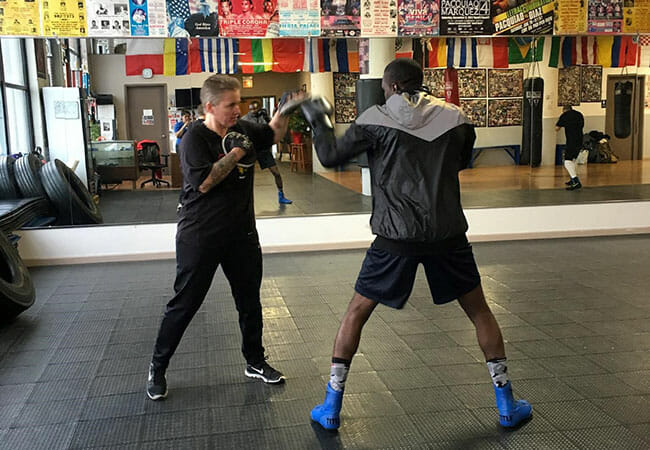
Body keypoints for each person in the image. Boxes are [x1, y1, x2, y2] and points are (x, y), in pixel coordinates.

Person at [300, 59, 532, 430]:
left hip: (395, 237)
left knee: (356, 312)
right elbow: (459, 162)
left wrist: (319, 118)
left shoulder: (374, 119)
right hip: (447, 233)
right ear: (421, 83)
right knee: (480, 312)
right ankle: (506, 403)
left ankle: (331, 406)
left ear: (389, 86)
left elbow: (328, 157)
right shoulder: (455, 118)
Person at [146, 75, 302, 400]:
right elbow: (204, 183)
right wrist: (234, 154)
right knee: (184, 304)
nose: (238, 110)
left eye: (239, 102)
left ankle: (255, 361)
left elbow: (272, 132)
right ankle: (157, 367)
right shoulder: (193, 139)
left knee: (250, 301)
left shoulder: (242, 128)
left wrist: (286, 109)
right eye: (231, 105)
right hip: (200, 235)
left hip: (241, 234)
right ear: (210, 107)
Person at [241, 101, 292, 205]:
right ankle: (242, 200)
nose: (253, 111)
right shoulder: (245, 119)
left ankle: (281, 195)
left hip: (263, 149)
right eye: (251, 109)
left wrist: (267, 117)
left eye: (255, 109)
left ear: (259, 108)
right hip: (251, 150)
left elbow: (272, 129)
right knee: (244, 177)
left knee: (276, 173)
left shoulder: (263, 116)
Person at [555, 105, 584, 190]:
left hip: (571, 141)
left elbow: (557, 128)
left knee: (567, 161)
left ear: (564, 110)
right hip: (580, 139)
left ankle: (576, 181)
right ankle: (572, 179)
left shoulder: (565, 115)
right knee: (573, 160)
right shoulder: (579, 114)